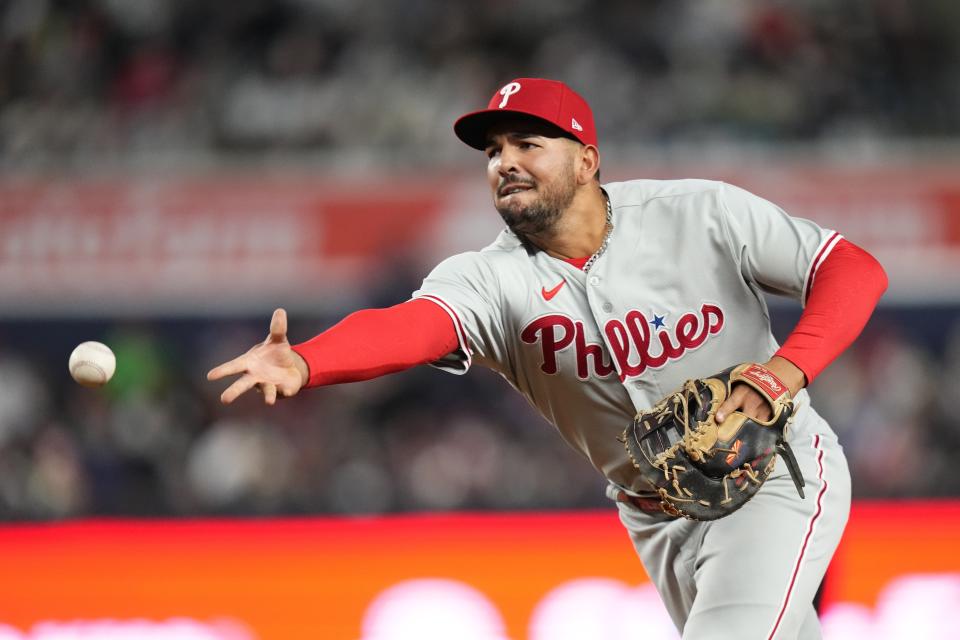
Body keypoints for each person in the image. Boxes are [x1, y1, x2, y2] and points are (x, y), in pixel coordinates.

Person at [208, 78, 887, 638]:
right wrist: (310, 361)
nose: (504, 161)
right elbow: (417, 325)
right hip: (655, 515)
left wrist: (782, 372)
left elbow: (850, 269)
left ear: (587, 160)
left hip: (775, 471)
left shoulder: (697, 213)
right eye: (493, 150)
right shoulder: (489, 279)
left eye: (527, 143)